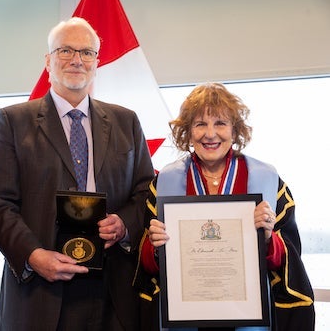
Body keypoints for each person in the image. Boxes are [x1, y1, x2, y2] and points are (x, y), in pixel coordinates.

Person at [0, 17, 154, 330]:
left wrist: (124, 224)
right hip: (40, 292)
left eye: (87, 53)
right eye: (66, 51)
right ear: (48, 61)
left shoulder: (126, 122)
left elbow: (146, 192)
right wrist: (33, 256)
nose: (77, 59)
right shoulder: (13, 122)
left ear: (97, 62)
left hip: (113, 293)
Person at [134, 82, 315, 331]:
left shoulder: (268, 181)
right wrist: (154, 248)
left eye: (220, 123)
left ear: (235, 130)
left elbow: (290, 257)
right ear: (187, 132)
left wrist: (266, 239)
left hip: (248, 315)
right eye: (200, 124)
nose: (210, 134)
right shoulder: (164, 182)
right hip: (185, 315)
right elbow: (146, 264)